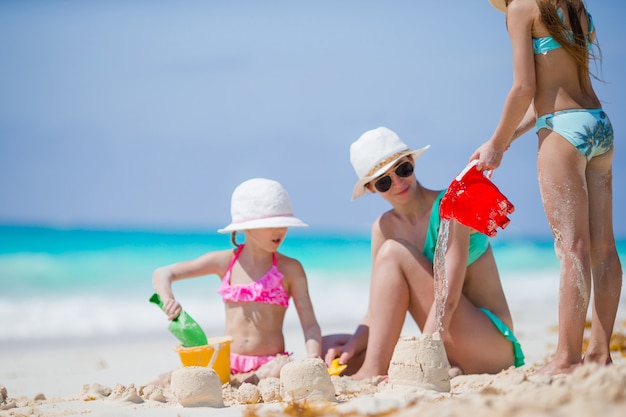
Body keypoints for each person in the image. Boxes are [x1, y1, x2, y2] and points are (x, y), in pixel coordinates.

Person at [470, 0, 622, 375]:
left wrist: (494, 144)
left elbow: (524, 88)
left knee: (572, 248)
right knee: (603, 247)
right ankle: (600, 354)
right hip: (598, 125)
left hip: (563, 133)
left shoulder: (521, 9)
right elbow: (550, 95)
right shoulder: (576, 7)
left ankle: (566, 359)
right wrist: (503, 141)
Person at [323, 126, 524, 379]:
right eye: (384, 182)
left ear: (412, 161)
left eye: (402, 169)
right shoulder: (383, 228)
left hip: (492, 347)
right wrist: (353, 346)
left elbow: (447, 298)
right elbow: (377, 308)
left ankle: (371, 372)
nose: (398, 183)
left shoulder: (451, 205)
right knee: (329, 347)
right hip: (448, 342)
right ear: (373, 189)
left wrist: (423, 356)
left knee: (394, 252)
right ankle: (370, 367)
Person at [152, 178, 322, 384]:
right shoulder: (224, 262)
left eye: (284, 224)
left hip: (269, 365)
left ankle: (246, 381)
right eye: (272, 225)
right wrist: (167, 299)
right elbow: (163, 273)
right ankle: (235, 381)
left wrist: (313, 355)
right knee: (167, 379)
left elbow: (310, 324)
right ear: (247, 226)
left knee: (282, 369)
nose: (280, 231)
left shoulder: (290, 269)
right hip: (225, 362)